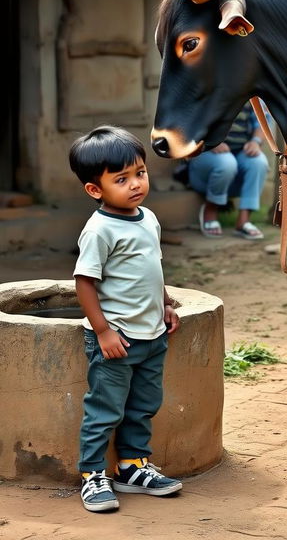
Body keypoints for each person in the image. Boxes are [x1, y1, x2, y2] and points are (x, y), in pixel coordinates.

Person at [69, 125, 182, 513]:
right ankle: (92, 475)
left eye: (140, 173)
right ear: (94, 190)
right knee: (105, 410)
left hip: (151, 336)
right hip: (117, 339)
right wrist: (102, 331)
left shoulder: (147, 218)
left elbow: (153, 269)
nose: (135, 184)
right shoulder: (100, 229)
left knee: (143, 404)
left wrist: (165, 304)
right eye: (121, 179)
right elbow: (84, 283)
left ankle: (133, 467)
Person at [189, 102, 269, 239]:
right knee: (227, 163)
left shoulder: (251, 91)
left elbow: (262, 120)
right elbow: (189, 120)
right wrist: (208, 141)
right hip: (205, 153)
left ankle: (243, 221)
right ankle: (210, 211)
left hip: (239, 153)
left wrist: (255, 141)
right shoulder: (206, 86)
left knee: (259, 162)